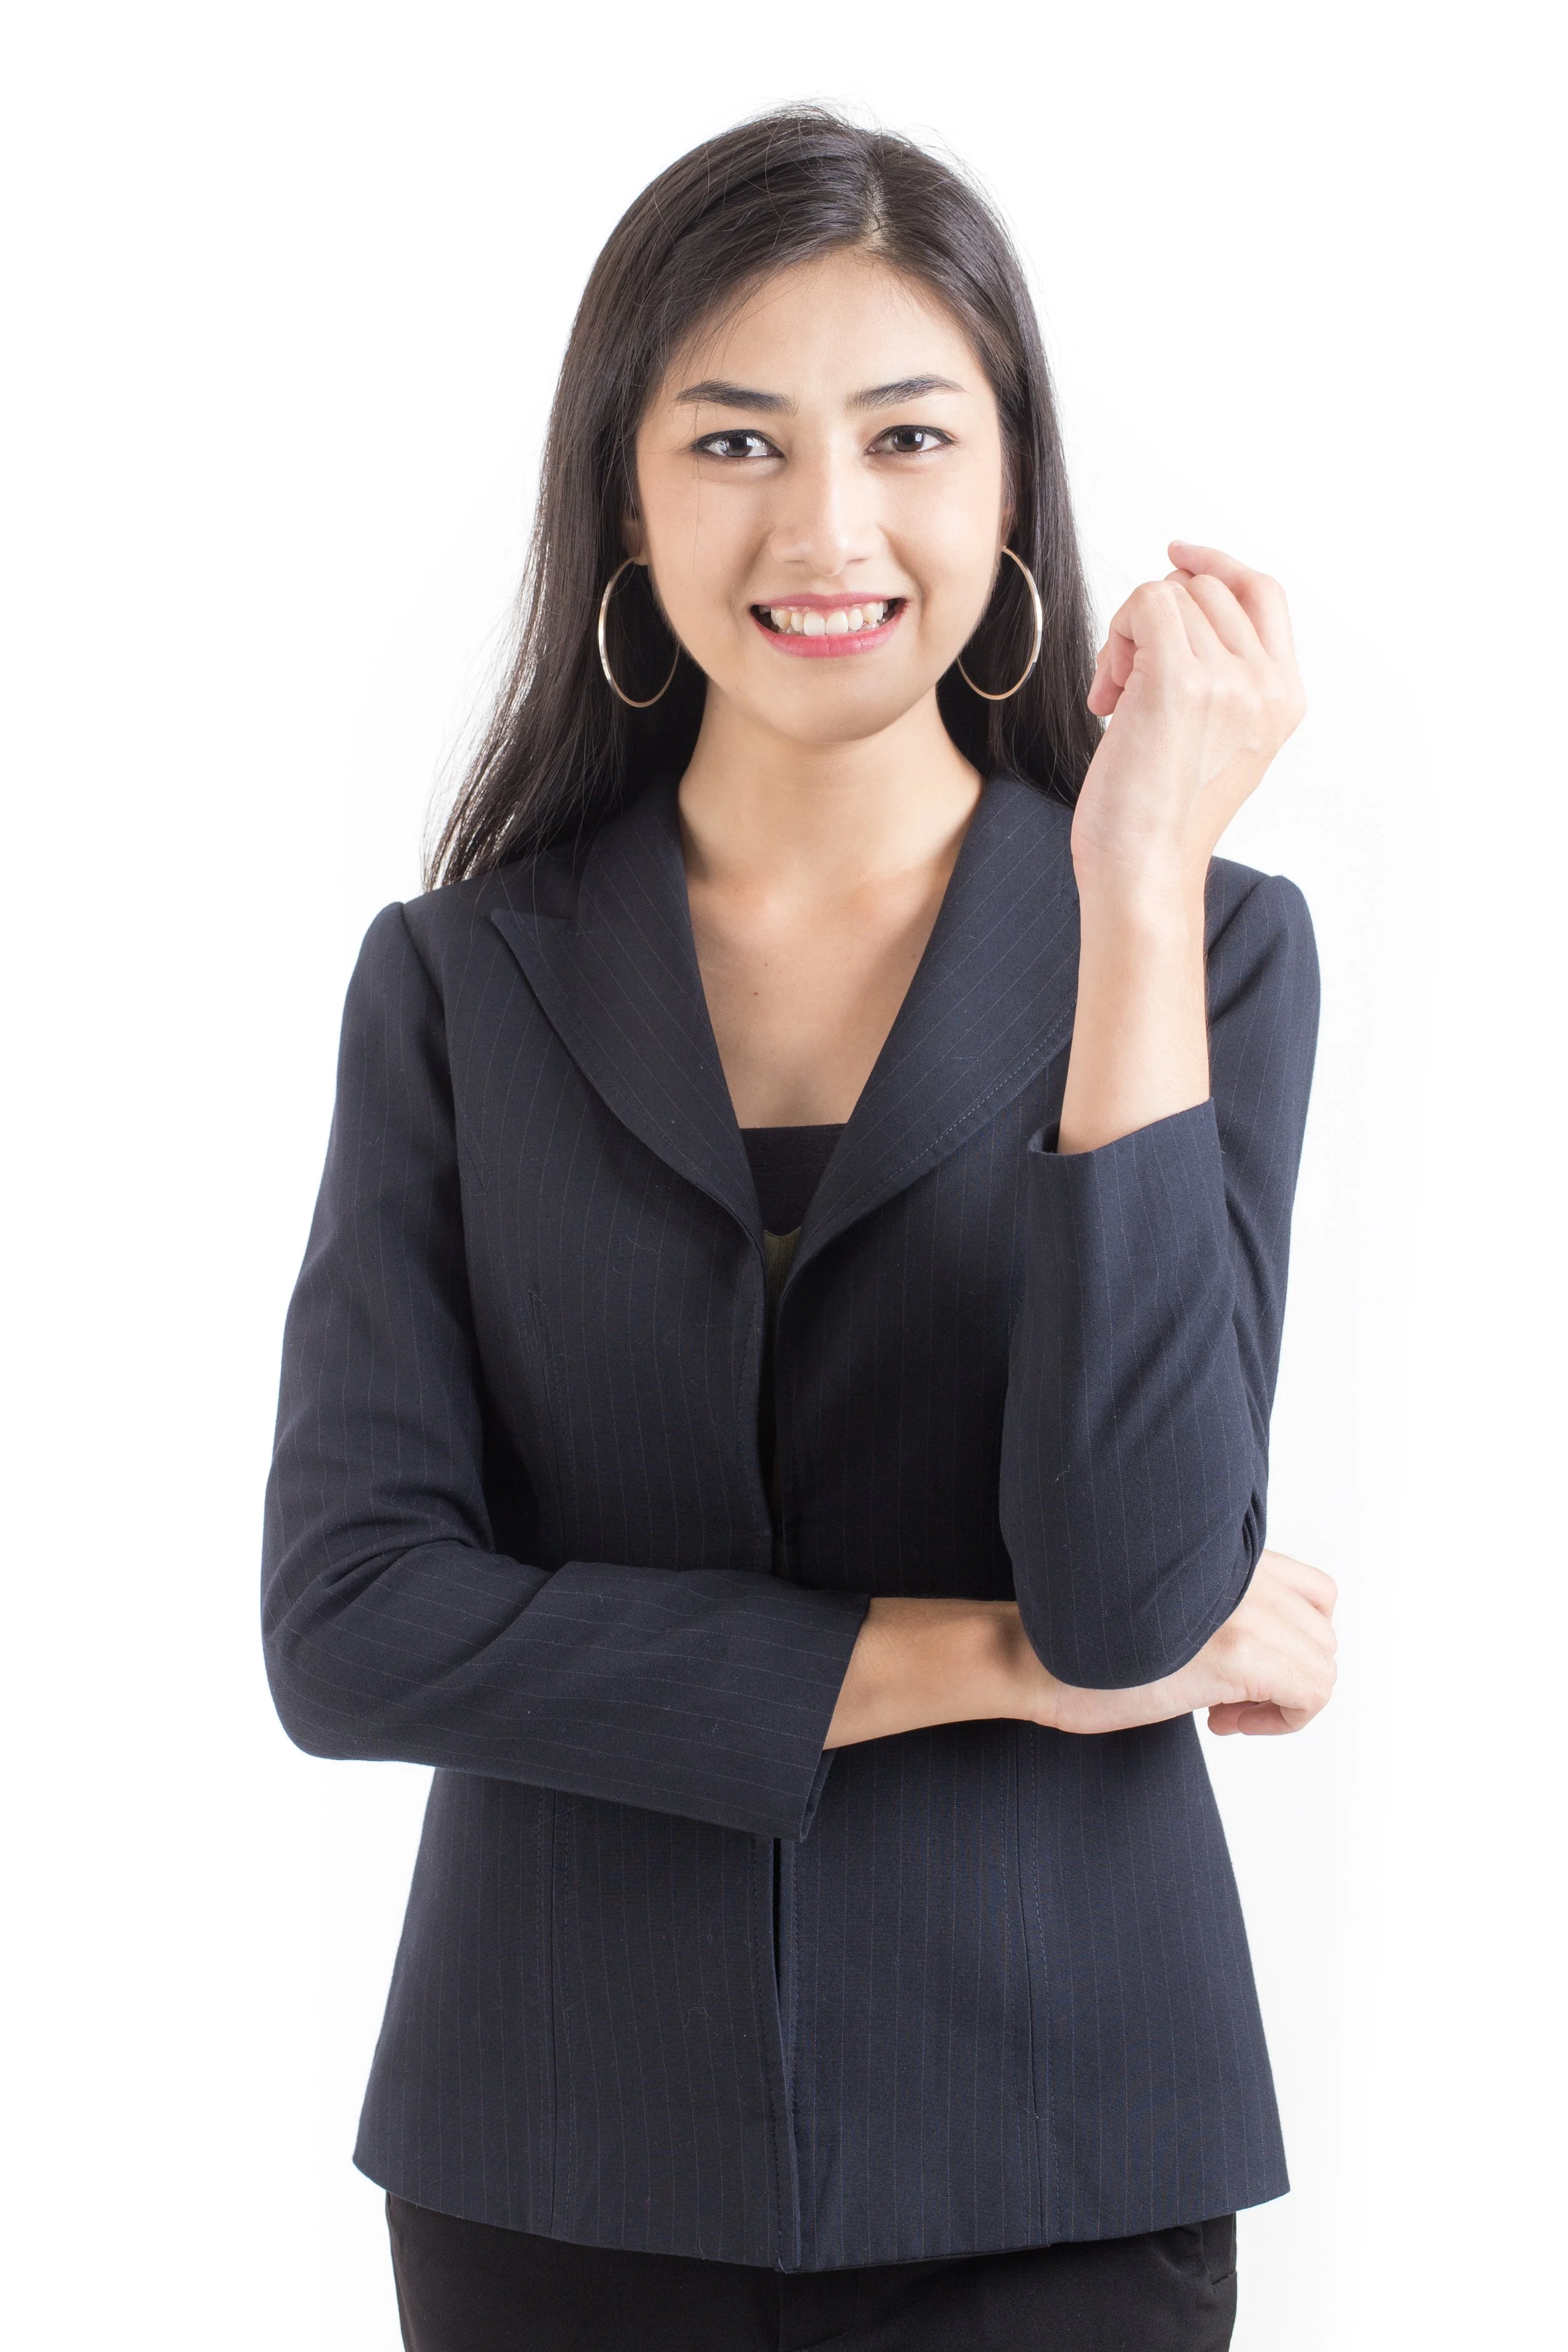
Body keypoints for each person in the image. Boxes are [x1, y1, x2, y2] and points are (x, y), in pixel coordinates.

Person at [262, 105, 1337, 2352]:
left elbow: (1134, 1576)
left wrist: (1127, 881)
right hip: (558, 2149)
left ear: (1007, 486)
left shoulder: (1210, 949)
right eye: (735, 438)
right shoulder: (462, 982)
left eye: (906, 435)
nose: (825, 525)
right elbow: (353, 1626)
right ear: (622, 496)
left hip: (1063, 2151)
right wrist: (983, 1661)